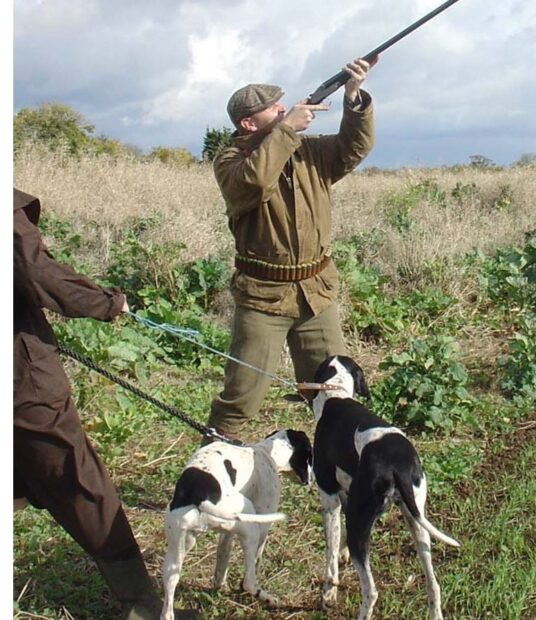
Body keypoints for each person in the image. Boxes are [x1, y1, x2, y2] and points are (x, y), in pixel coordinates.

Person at [13, 189, 196, 620]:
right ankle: (144, 607)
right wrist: (107, 303)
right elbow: (34, 270)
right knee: (78, 480)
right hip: (20, 380)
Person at [206, 57, 377, 440]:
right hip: (263, 298)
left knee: (333, 391)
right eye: (274, 109)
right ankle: (209, 467)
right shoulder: (231, 161)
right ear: (248, 124)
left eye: (283, 106)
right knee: (241, 396)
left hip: (316, 293)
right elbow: (253, 184)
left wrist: (353, 98)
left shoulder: (308, 151)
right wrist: (285, 132)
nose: (285, 111)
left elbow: (355, 147)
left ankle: (338, 470)